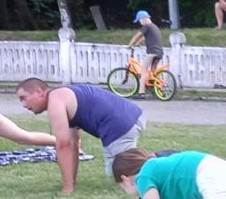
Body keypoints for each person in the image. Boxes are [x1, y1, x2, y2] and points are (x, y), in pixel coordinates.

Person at [15, 78, 145, 192]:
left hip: (120, 125)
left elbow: (63, 145)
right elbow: (73, 144)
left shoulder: (55, 100)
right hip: (131, 117)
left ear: (39, 92)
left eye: (23, 98)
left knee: (125, 173)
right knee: (115, 173)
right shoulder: (64, 96)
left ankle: (154, 166)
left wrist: (67, 188)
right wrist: (71, 181)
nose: (24, 105)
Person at [127, 10, 165, 87]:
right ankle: (156, 86)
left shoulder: (146, 26)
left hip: (152, 52)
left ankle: (141, 91)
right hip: (159, 52)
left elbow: (137, 36)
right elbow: (144, 37)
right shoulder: (154, 26)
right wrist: (138, 44)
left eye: (139, 20)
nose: (140, 22)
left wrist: (129, 45)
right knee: (152, 72)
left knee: (143, 70)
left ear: (143, 19)